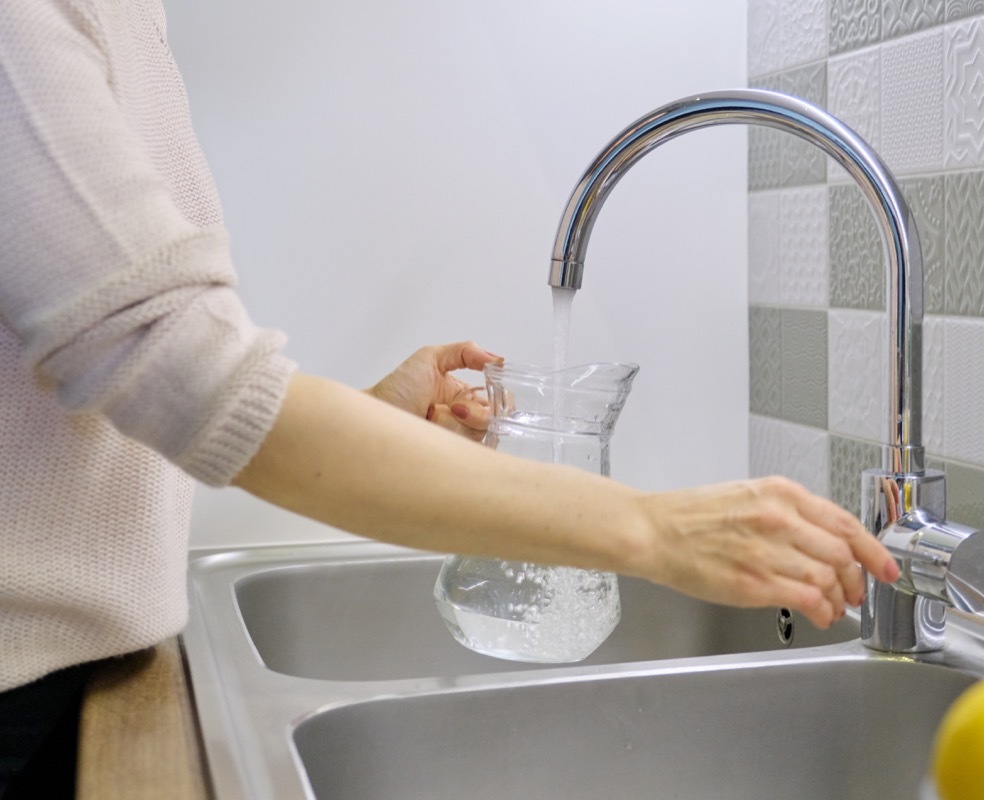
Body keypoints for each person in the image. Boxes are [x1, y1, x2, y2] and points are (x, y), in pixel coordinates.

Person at [0, 1, 899, 796]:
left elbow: (106, 404)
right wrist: (655, 529)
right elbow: (181, 365)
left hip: (76, 683)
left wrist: (367, 419)